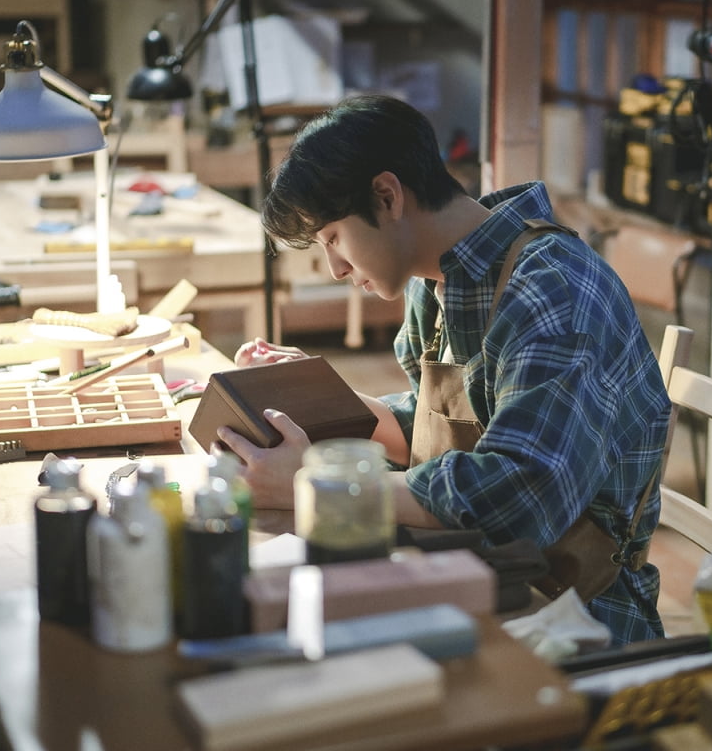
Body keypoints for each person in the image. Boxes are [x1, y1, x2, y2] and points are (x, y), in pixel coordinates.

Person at [218, 94, 670, 644]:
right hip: (480, 571)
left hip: (572, 613)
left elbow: (517, 496)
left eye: (334, 238)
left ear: (387, 196)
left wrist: (319, 485)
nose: (335, 267)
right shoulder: (436, 281)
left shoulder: (553, 293)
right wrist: (320, 403)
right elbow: (439, 433)